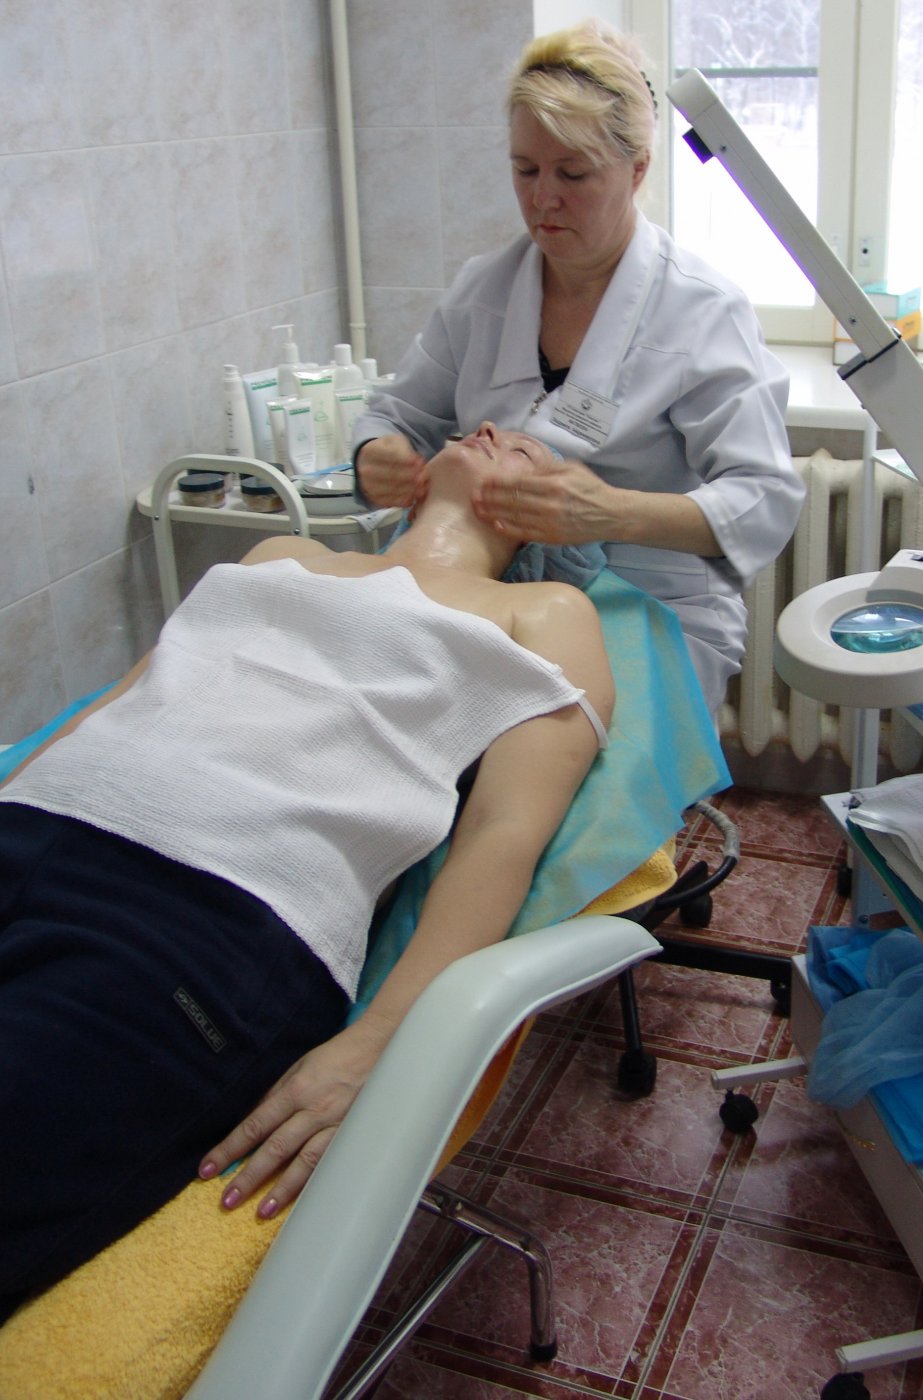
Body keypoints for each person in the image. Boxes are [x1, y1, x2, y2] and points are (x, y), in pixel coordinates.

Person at [0, 424, 613, 1323]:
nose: (492, 429)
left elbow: (503, 832)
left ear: (548, 518)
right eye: (484, 427)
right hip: (36, 822)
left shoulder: (546, 611)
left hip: (204, 918)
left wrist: (384, 1040)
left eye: (528, 451)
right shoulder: (281, 553)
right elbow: (126, 696)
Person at [352, 19, 805, 717]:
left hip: (647, 600)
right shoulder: (483, 292)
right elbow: (394, 415)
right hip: (490, 592)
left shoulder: (702, 311)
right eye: (525, 170)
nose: (543, 199)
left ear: (638, 168)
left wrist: (614, 512)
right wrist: (374, 456)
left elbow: (765, 496)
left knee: (560, 746)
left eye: (573, 174)